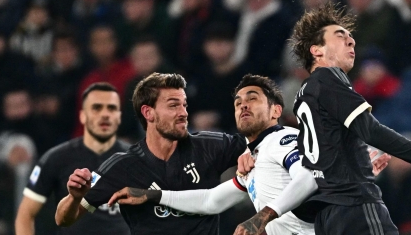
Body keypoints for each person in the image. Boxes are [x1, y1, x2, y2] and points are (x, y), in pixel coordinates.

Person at [232, 3, 411, 235]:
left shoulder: (304, 97)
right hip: (357, 209)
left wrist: (359, 165)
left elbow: (316, 173)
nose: (351, 40)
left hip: (329, 219)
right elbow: (371, 131)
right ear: (316, 50)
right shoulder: (328, 79)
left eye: (351, 37)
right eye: (340, 35)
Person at [106, 74, 391, 235]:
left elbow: (307, 176)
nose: (243, 105)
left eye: (253, 99)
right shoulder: (254, 159)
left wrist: (263, 216)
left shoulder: (283, 138)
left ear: (276, 111)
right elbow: (211, 199)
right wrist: (155, 195)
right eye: (238, 102)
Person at [55, 73, 248, 234]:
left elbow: (266, 142)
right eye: (173, 105)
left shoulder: (209, 146)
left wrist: (251, 153)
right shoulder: (123, 167)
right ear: (149, 113)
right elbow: (63, 219)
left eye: (184, 105)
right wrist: (75, 198)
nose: (183, 113)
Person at [14, 82, 131, 235]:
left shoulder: (136, 159)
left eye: (112, 108)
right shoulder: (56, 158)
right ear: (82, 115)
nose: (105, 114)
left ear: (119, 116)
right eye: (97, 108)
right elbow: (25, 214)